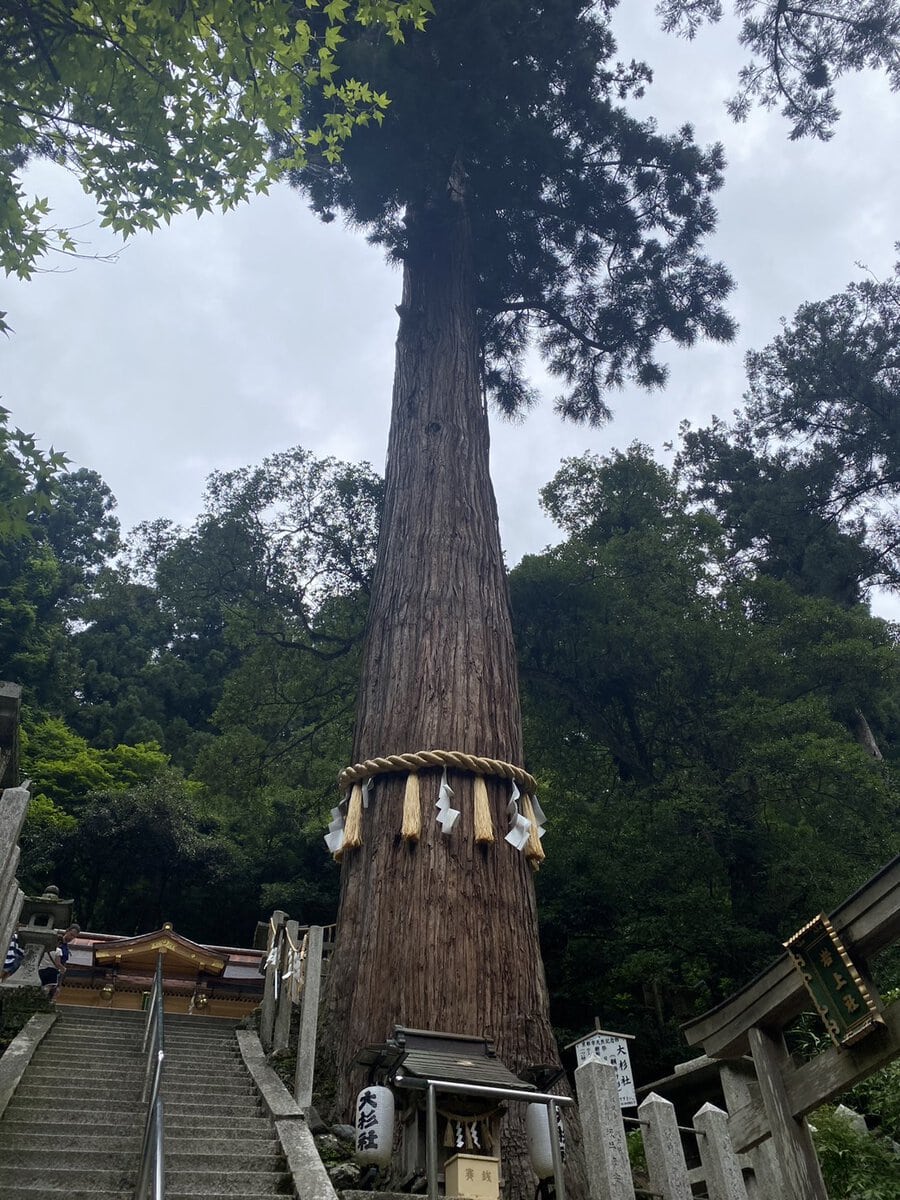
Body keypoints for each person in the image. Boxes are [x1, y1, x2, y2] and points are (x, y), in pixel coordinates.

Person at [38, 924, 80, 1000]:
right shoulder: (55, 944)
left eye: (74, 937)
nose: (71, 938)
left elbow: (63, 964)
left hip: (56, 974)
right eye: (71, 934)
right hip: (45, 969)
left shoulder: (66, 949)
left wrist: (59, 984)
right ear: (67, 931)